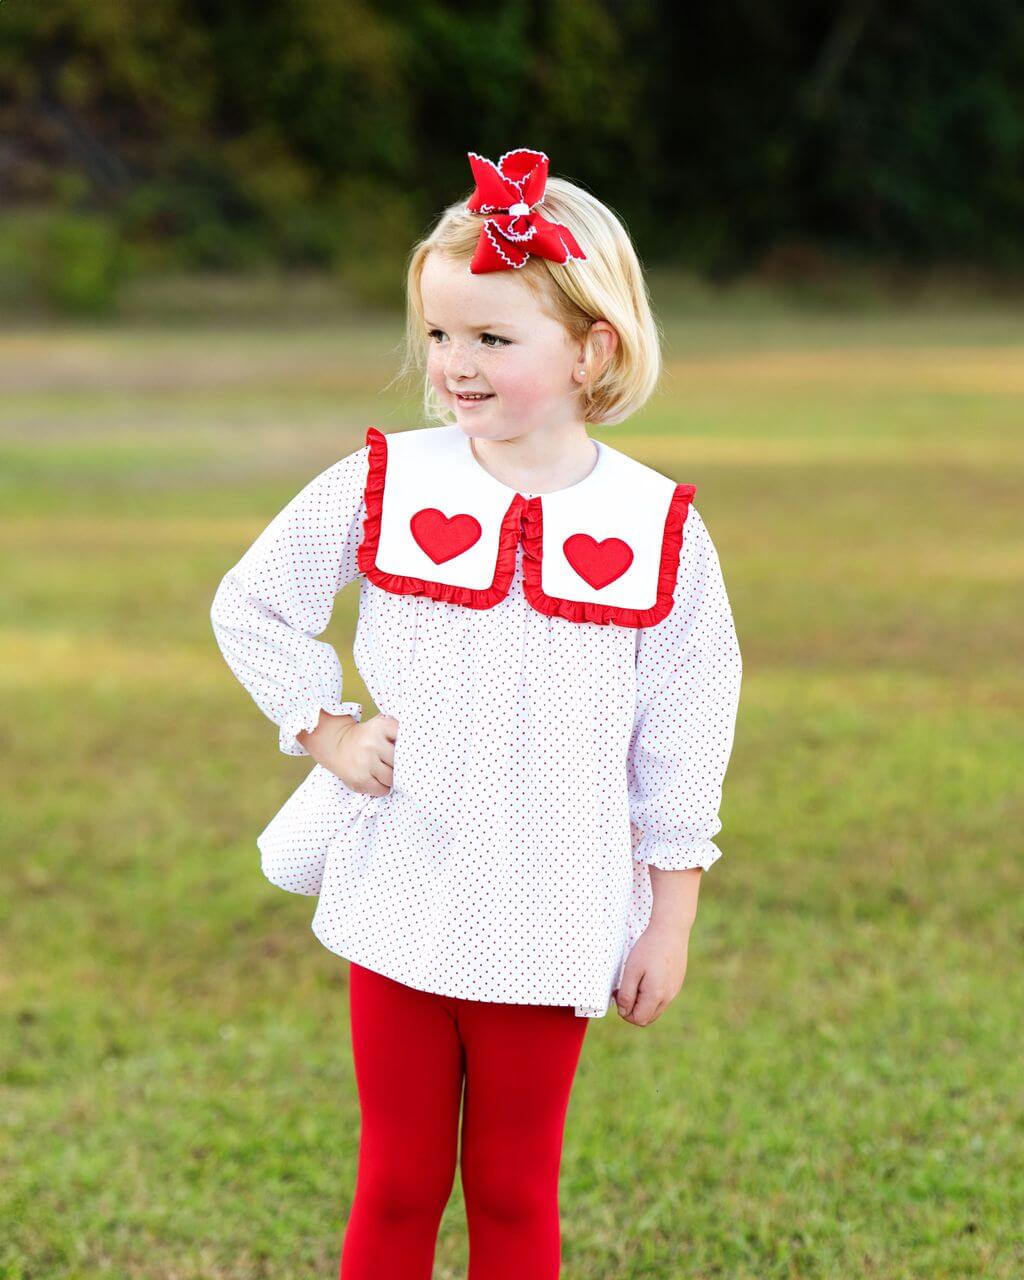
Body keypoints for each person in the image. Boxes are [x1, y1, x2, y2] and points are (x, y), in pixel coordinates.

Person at [210, 146, 743, 1280]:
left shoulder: (657, 524)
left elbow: (688, 729)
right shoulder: (386, 480)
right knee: (398, 1178)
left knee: (511, 1188)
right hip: (403, 879)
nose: (455, 364)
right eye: (442, 334)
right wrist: (328, 729)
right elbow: (252, 602)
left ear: (593, 348)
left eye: (493, 339)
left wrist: (670, 913)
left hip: (555, 901)